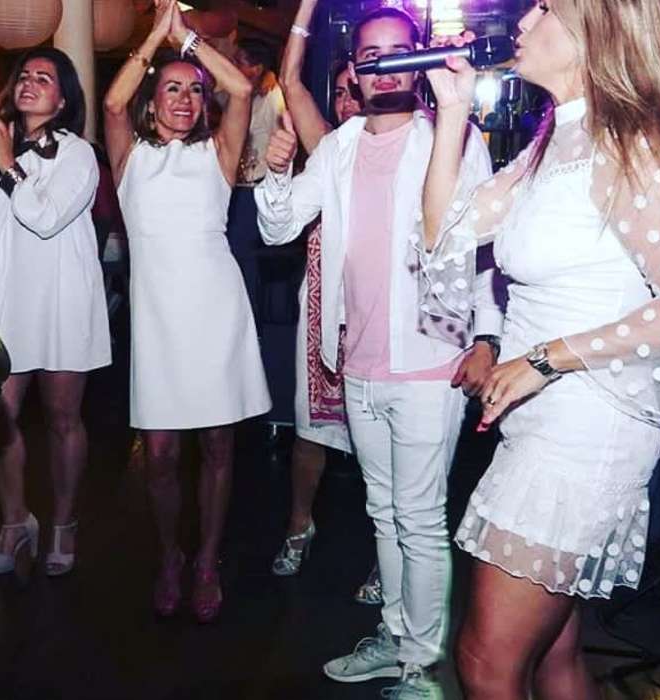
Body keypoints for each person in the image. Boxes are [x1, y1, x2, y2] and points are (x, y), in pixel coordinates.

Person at [420, 1, 660, 698]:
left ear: (597, 30)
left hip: (585, 432)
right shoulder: (555, 140)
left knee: (486, 663)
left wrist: (547, 358)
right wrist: (452, 113)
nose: (523, 21)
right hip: (544, 425)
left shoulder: (632, 145)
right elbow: (442, 234)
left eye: (547, 7)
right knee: (555, 655)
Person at [255, 7, 504, 697]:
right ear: (356, 71)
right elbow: (279, 228)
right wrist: (274, 173)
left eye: (400, 52)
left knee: (419, 519)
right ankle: (397, 640)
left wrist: (488, 336)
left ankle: (422, 666)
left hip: (429, 361)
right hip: (358, 362)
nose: (386, 66)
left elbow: (485, 248)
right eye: (372, 55)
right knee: (384, 512)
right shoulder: (338, 147)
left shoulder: (450, 136)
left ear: (418, 62)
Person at [103, 0, 270, 623]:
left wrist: (192, 44)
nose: (184, 98)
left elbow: (242, 90)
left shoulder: (217, 155)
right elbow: (113, 103)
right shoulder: (130, 158)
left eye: (194, 91)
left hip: (216, 313)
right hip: (158, 322)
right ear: (152, 102)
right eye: (171, 89)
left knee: (220, 447)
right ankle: (170, 554)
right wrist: (156, 38)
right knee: (162, 454)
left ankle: (205, 559)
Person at [0, 47, 109, 578]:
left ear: (62, 101)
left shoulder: (77, 154)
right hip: (8, 308)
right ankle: (15, 521)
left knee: (63, 419)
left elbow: (46, 217)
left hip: (62, 303)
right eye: (25, 75)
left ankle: (63, 523)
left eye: (45, 78)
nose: (30, 82)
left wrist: (8, 165)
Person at [268, 0, 371, 602]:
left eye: (358, 90)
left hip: (377, 317)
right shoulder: (329, 149)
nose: (350, 101)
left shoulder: (416, 146)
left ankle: (387, 555)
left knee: (383, 451)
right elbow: (288, 78)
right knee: (312, 432)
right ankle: (298, 526)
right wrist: (307, 5)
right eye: (341, 93)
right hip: (323, 314)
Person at [226, 36, 286, 312]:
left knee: (244, 258)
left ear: (257, 67)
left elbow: (283, 138)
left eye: (240, 62)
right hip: (240, 186)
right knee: (236, 257)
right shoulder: (246, 95)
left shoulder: (273, 96)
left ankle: (251, 321)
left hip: (256, 187)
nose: (234, 66)